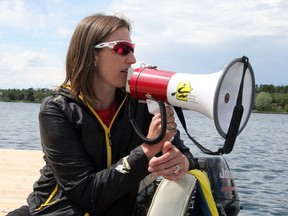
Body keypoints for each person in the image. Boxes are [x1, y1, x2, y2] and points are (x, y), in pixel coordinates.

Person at [8, 13, 196, 216]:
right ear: (92, 54)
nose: (132, 59)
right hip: (55, 210)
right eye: (122, 49)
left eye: (132, 50)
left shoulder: (141, 103)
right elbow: (86, 193)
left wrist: (181, 162)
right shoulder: (57, 110)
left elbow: (184, 154)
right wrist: (147, 149)